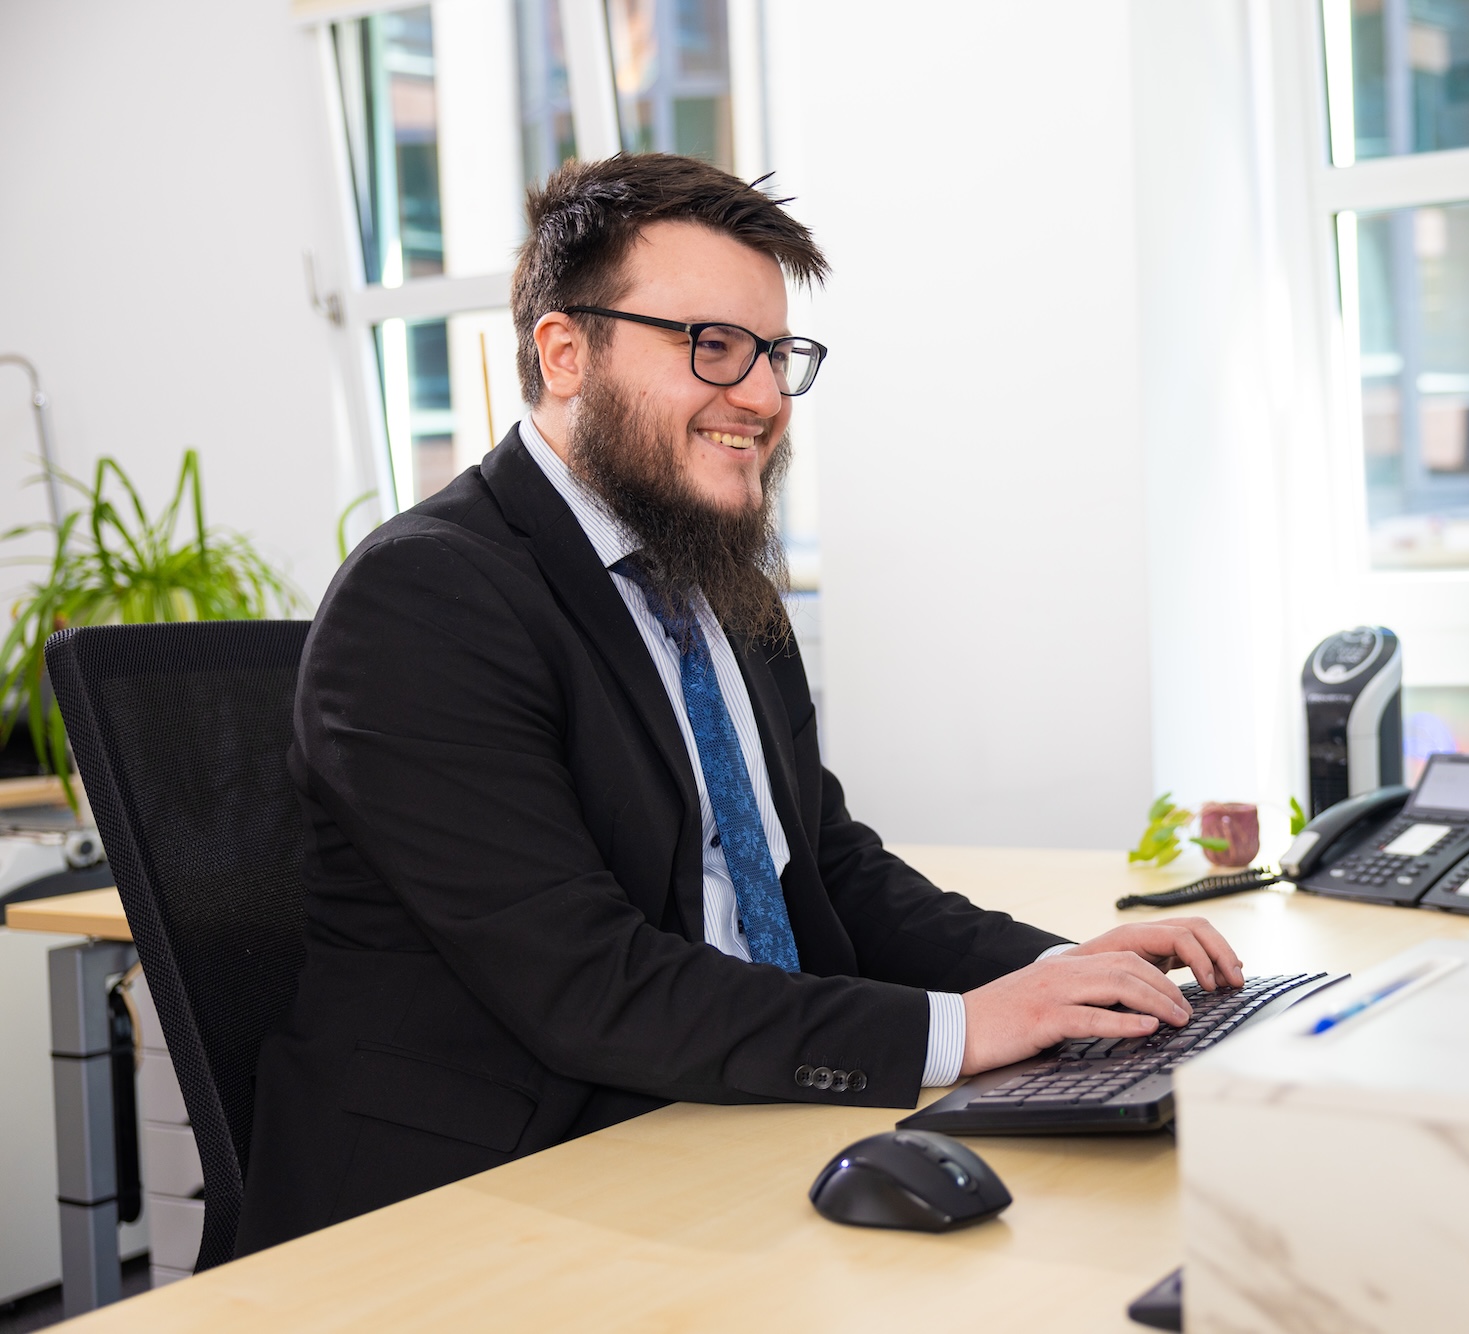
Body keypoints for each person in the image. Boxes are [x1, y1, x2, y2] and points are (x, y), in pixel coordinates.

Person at [236, 153, 1245, 1251]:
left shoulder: (715, 578)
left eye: (773, 353)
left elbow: (825, 863)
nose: (762, 396)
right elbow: (589, 983)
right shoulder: (427, 598)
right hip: (476, 1198)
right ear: (564, 352)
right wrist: (958, 1027)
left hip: (702, 1125)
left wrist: (1056, 977)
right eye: (710, 346)